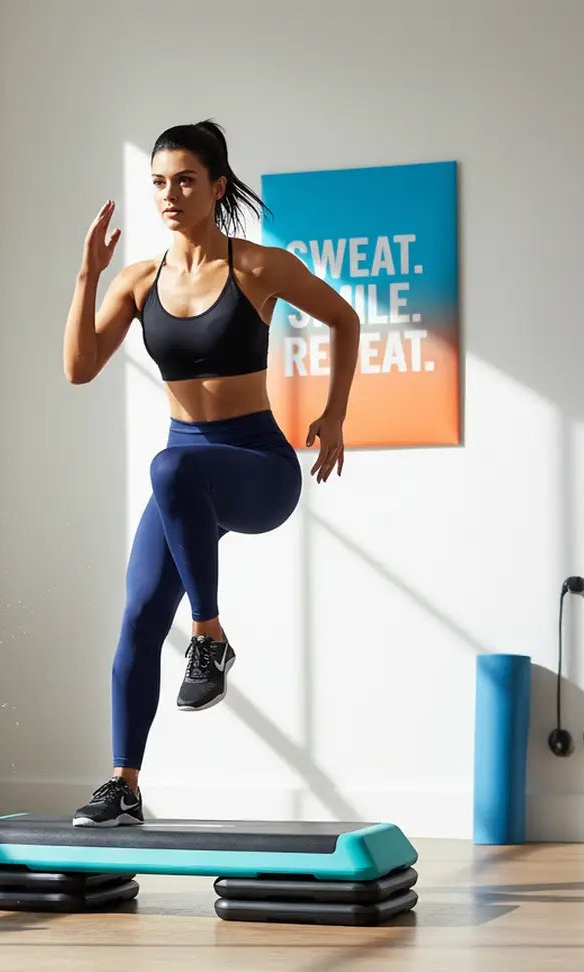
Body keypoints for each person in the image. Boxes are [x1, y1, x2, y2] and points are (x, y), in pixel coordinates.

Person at [62, 120, 361, 827]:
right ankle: (124, 785)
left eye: (185, 180)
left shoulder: (260, 268)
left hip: (256, 466)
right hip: (184, 479)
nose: (170, 194)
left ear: (217, 187)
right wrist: (87, 276)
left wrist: (335, 414)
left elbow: (345, 320)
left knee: (172, 465)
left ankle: (209, 636)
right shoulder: (140, 282)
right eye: (159, 182)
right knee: (136, 617)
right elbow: (77, 369)